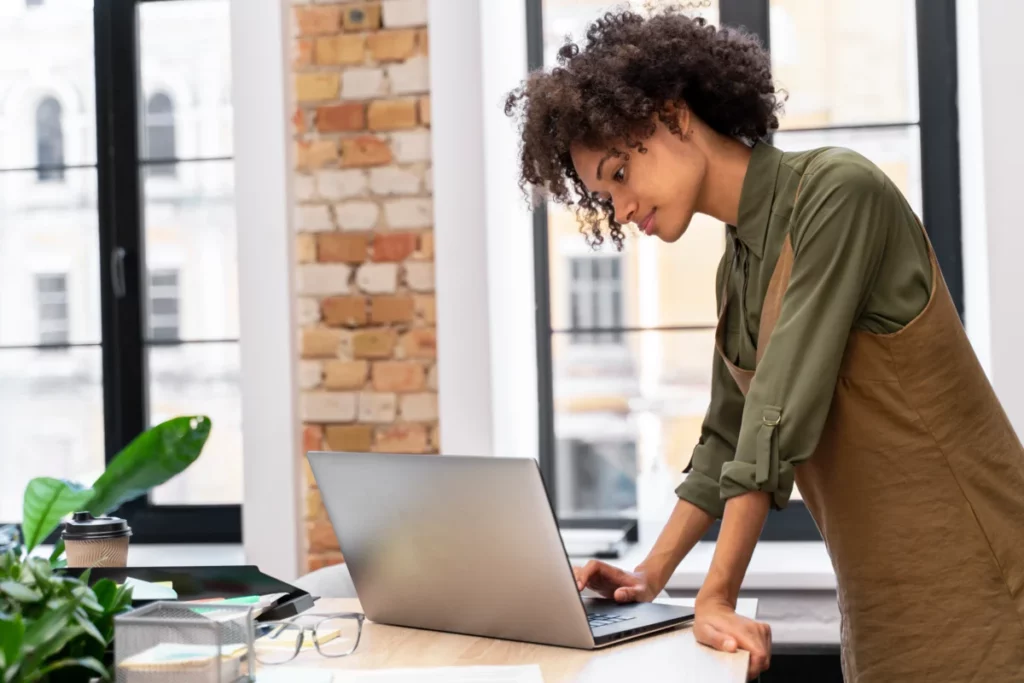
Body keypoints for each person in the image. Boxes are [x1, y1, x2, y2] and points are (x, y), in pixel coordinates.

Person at [505, 7, 1024, 682]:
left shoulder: (838, 193)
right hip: (877, 601)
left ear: (673, 116)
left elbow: (778, 412)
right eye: (606, 200)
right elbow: (727, 435)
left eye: (620, 176)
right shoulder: (739, 266)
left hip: (982, 579)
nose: (621, 213)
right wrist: (649, 572)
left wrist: (716, 594)